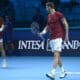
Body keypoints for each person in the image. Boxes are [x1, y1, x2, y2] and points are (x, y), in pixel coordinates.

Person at [40, 2, 69, 80]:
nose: (46, 9)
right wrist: (43, 32)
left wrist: (66, 35)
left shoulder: (59, 14)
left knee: (56, 55)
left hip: (58, 37)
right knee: (57, 56)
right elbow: (48, 26)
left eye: (46, 7)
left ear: (50, 7)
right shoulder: (49, 16)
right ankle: (63, 71)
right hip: (52, 38)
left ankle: (52, 73)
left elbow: (66, 24)